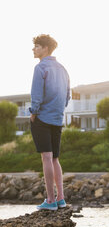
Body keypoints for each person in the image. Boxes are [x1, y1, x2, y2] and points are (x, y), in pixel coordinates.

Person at [29, 34, 70, 210]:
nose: (33, 49)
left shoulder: (40, 68)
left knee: (46, 157)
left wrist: (34, 113)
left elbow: (36, 95)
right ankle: (61, 198)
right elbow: (67, 96)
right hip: (57, 118)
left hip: (43, 118)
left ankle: (51, 200)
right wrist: (57, 111)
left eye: (37, 46)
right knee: (55, 158)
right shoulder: (63, 69)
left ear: (45, 48)